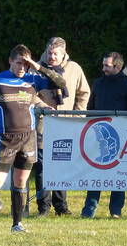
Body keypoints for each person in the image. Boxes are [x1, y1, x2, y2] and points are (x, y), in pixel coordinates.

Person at [0, 44, 66, 233]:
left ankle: (17, 224)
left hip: (28, 139)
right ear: (10, 61)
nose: (22, 67)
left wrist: (37, 66)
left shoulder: (33, 79)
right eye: (19, 63)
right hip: (6, 139)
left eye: (25, 64)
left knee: (20, 182)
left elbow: (60, 83)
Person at [81, 52, 127, 218]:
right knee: (95, 173)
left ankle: (116, 211)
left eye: (107, 66)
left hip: (121, 136)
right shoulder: (98, 83)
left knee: (118, 174)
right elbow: (91, 108)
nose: (103, 69)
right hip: (98, 134)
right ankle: (88, 211)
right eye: (103, 65)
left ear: (118, 66)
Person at [32, 37, 89, 216]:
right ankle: (43, 207)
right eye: (49, 53)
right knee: (42, 168)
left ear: (63, 53)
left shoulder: (74, 68)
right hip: (42, 125)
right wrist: (42, 107)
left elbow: (83, 92)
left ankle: (61, 207)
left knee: (61, 167)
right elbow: (29, 93)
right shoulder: (35, 69)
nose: (52, 57)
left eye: (55, 54)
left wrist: (77, 116)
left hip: (65, 125)